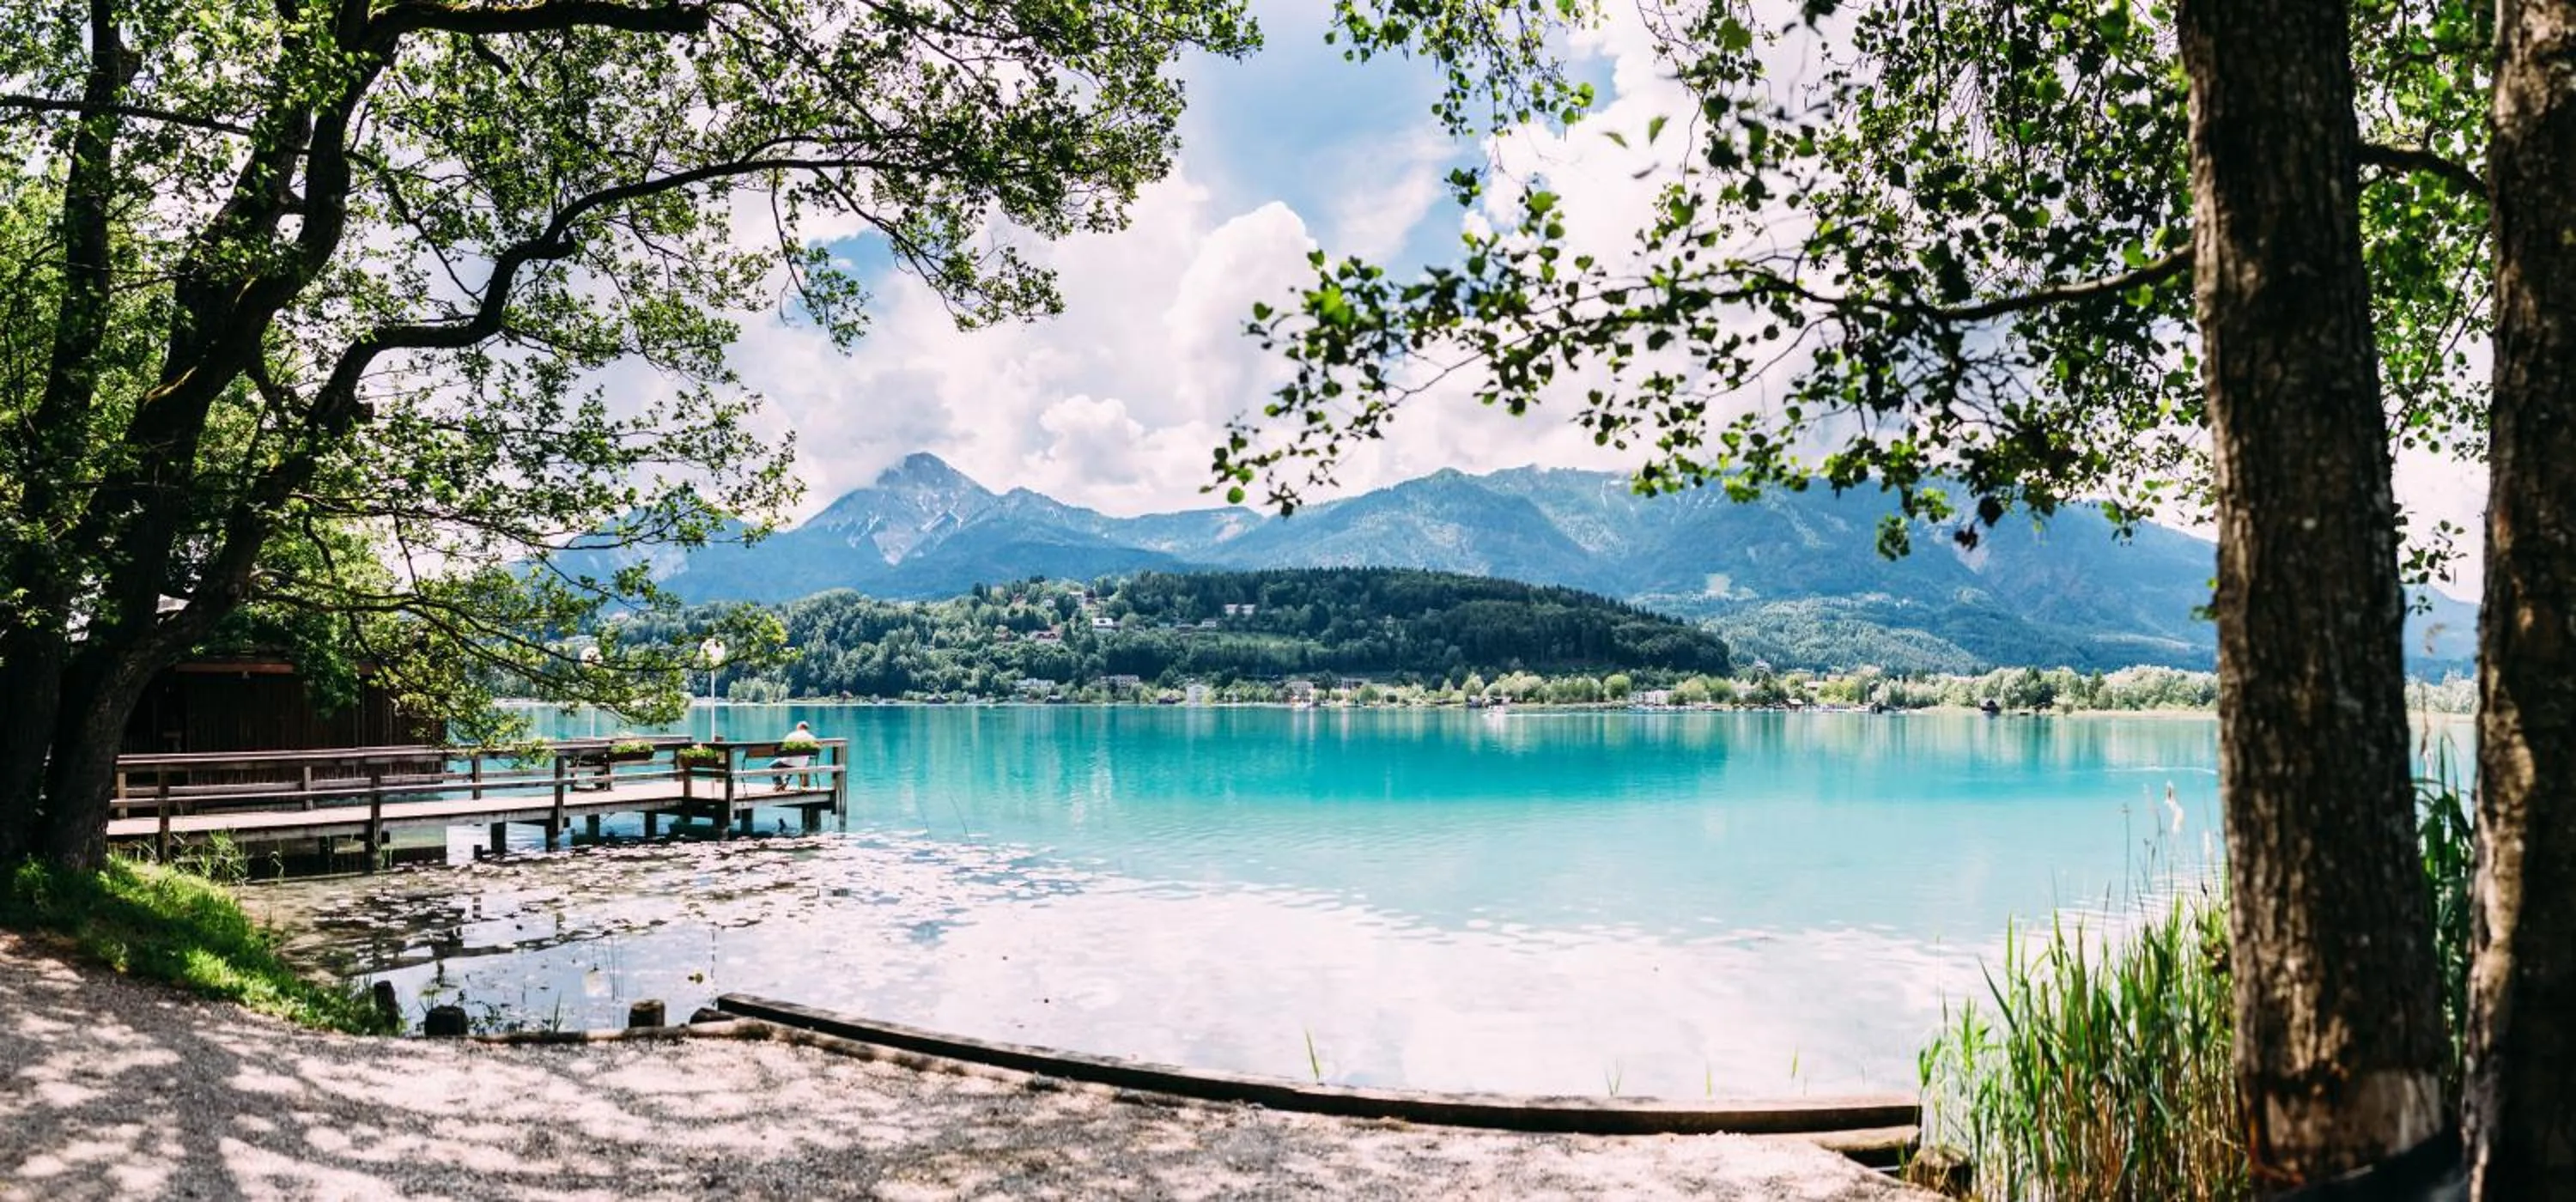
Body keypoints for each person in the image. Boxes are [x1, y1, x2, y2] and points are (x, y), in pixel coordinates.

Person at [769, 720, 816, 792]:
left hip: (790, 762)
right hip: (803, 764)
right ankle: (784, 783)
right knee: (793, 765)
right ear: (807, 729)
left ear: (798, 728)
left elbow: (783, 748)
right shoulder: (811, 737)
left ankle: (778, 784)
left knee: (772, 765)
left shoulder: (791, 735)